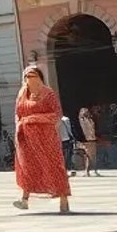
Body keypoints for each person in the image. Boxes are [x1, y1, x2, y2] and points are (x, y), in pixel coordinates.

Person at [13, 65, 72, 213]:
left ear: (40, 77)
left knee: (54, 165)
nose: (30, 79)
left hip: (46, 137)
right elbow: (18, 113)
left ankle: (63, 200)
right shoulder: (22, 94)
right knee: (27, 167)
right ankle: (24, 199)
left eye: (33, 76)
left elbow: (56, 114)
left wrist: (34, 118)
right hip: (26, 137)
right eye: (27, 77)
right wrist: (19, 126)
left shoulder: (48, 94)